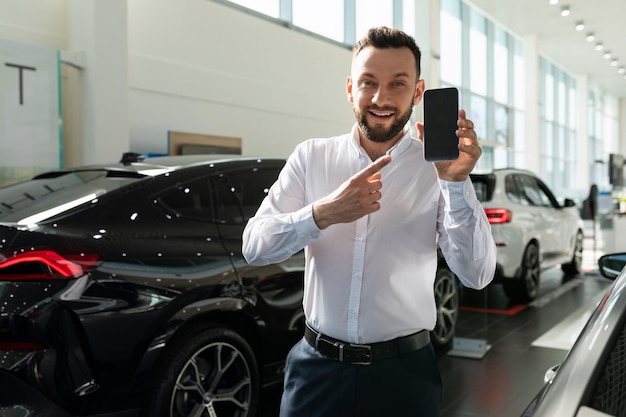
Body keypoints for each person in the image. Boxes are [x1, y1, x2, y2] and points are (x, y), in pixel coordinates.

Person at [242, 26, 497, 417]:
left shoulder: (440, 168)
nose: (381, 98)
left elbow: (476, 275)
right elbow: (254, 247)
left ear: (417, 91)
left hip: (404, 376)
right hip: (316, 371)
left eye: (397, 83)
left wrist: (456, 183)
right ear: (350, 88)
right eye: (368, 82)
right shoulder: (311, 158)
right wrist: (324, 213)